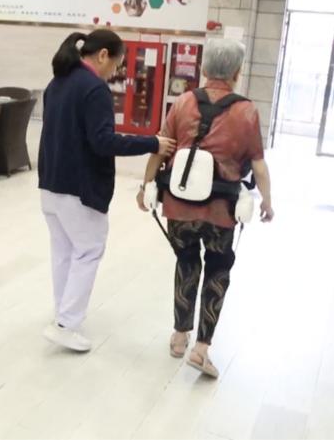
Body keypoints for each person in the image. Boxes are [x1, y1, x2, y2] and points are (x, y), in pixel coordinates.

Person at [137, 38, 274, 378]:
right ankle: (201, 349)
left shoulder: (183, 102)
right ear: (237, 72)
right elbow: (258, 164)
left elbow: (161, 148)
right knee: (217, 270)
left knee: (186, 262)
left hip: (179, 205)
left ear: (203, 68)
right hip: (221, 210)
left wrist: (146, 186)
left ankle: (178, 336)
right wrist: (267, 202)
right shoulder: (246, 111)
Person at [39, 29, 177, 352]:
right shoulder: (94, 88)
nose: (115, 72)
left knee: (63, 251)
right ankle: (66, 324)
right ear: (102, 55)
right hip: (80, 188)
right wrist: (152, 143)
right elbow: (103, 142)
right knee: (88, 250)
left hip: (51, 184)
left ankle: (63, 314)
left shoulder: (56, 83)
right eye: (116, 64)